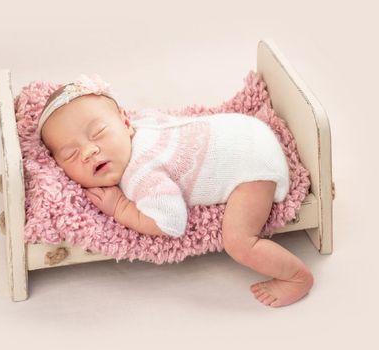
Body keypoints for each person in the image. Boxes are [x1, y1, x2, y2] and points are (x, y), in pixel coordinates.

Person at [38, 74, 314, 307]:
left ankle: (296, 277)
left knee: (240, 241)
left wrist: (121, 208)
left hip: (253, 169)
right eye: (71, 154)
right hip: (247, 129)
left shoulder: (141, 175)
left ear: (124, 122)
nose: (89, 151)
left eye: (98, 133)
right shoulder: (144, 123)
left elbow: (171, 222)